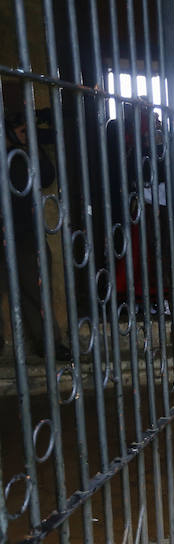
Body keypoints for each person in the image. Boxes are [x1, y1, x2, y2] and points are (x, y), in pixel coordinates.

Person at [1, 111, 69, 360]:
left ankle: (49, 343)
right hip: (11, 231)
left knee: (36, 289)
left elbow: (47, 176)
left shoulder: (23, 156)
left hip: (25, 233)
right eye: (19, 130)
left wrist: (31, 142)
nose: (24, 134)